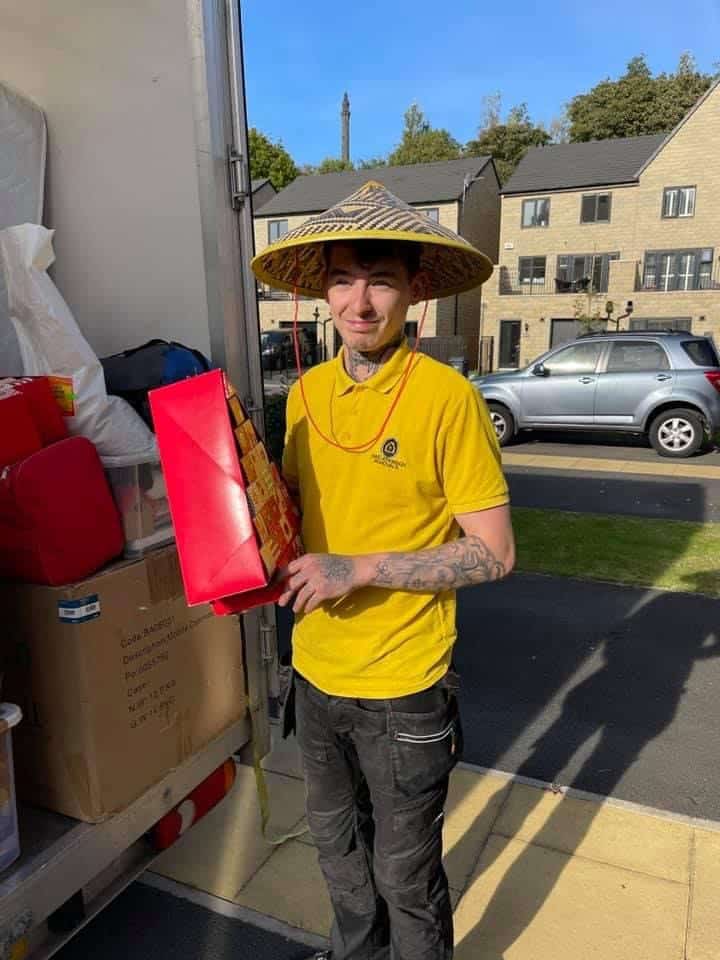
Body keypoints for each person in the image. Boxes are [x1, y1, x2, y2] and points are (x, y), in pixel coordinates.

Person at [251, 181, 515, 960]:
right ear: (321, 288)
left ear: (417, 290)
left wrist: (357, 568)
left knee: (404, 877)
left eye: (381, 279)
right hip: (316, 675)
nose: (359, 303)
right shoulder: (303, 396)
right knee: (339, 864)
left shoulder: (448, 399)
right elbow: (296, 517)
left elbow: (494, 552)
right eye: (341, 278)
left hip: (404, 688)